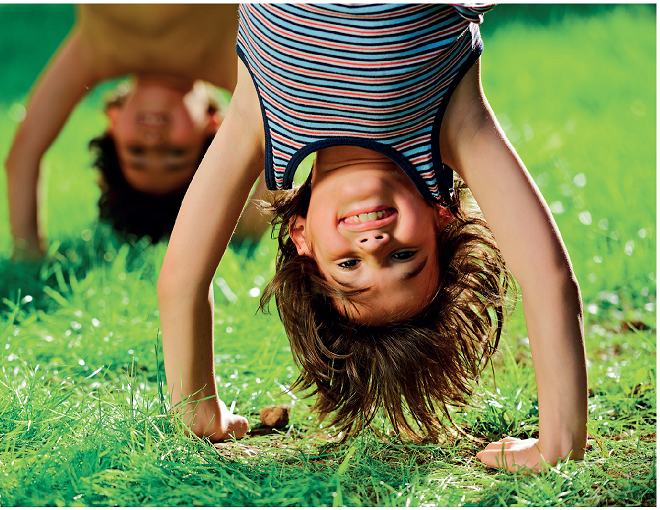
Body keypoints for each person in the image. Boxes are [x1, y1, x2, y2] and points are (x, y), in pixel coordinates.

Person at [157, 4, 588, 473]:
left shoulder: (256, 119)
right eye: (404, 255)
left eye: (348, 267)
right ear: (440, 218)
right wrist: (559, 442)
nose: (373, 245)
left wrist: (196, 408)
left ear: (302, 239)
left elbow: (183, 276)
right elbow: (549, 279)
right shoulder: (455, 125)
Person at [6, 4, 269, 260]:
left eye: (136, 151)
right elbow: (280, 157)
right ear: (215, 126)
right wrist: (244, 231)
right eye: (176, 153)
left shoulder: (96, 50)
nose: (153, 140)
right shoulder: (233, 61)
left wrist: (27, 252)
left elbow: (23, 155)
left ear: (114, 122)